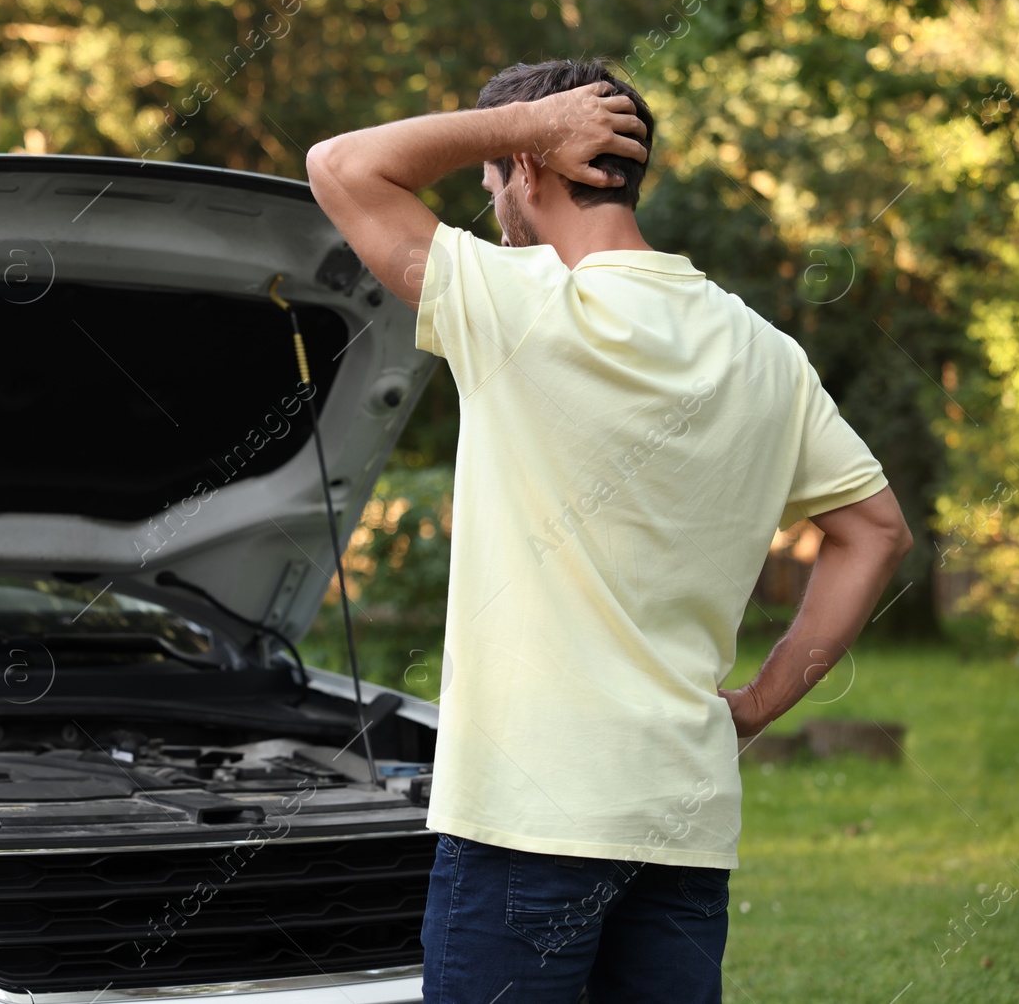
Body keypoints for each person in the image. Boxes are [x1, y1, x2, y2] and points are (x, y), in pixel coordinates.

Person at [304, 59, 913, 1003]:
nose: (490, 205)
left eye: (493, 178)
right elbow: (876, 532)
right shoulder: (766, 353)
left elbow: (340, 165)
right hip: (680, 818)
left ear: (532, 167)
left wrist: (530, 121)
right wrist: (753, 705)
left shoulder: (518, 307)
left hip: (523, 827)